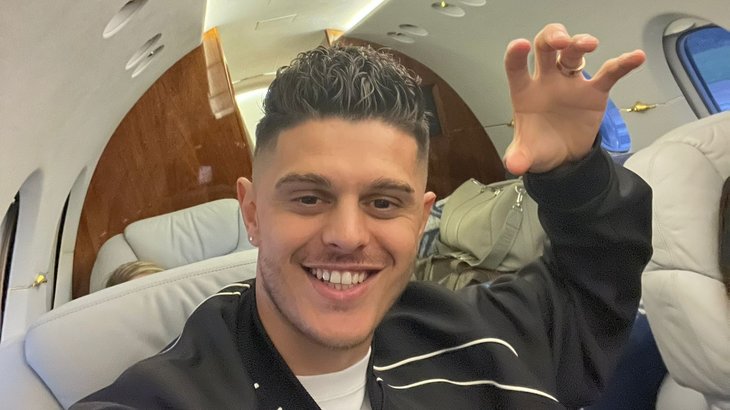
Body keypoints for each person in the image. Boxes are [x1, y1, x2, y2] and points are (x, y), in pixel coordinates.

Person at [73, 24, 652, 409]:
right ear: (252, 213)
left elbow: (596, 283)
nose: (347, 237)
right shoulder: (167, 397)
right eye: (309, 198)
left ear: (421, 218)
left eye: (383, 202)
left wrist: (574, 175)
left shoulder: (485, 338)